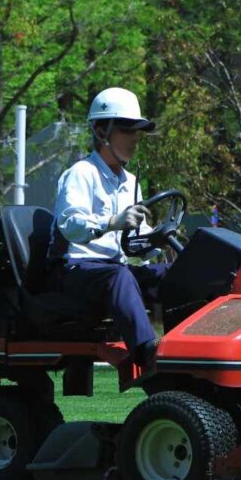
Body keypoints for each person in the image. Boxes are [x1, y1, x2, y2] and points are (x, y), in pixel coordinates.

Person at [47, 87, 166, 369]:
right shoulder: (81, 173)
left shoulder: (131, 181)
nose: (135, 139)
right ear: (101, 131)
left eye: (137, 131)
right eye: (126, 130)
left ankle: (193, 351)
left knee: (175, 274)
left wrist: (157, 240)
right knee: (120, 276)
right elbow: (70, 225)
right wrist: (112, 222)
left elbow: (139, 239)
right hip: (77, 271)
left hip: (113, 273)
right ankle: (148, 355)